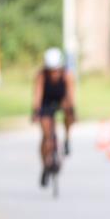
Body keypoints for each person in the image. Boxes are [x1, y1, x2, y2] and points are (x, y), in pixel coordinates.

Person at [32, 47, 76, 187]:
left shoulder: (67, 75)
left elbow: (70, 95)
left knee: (69, 114)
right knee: (46, 136)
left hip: (61, 99)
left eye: (56, 69)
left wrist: (71, 109)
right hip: (46, 102)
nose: (54, 73)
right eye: (51, 70)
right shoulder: (41, 75)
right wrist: (36, 111)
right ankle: (45, 165)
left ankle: (67, 138)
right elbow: (38, 95)